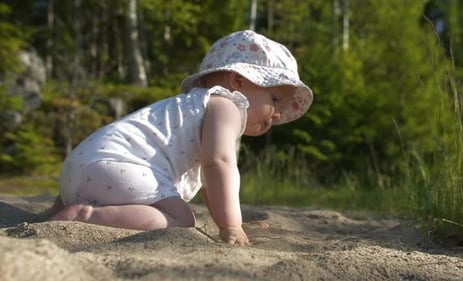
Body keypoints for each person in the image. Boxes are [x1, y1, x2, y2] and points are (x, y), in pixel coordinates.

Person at [47, 30, 313, 246]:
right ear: (239, 81)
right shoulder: (226, 104)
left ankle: (64, 208)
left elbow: (212, 183)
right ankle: (86, 215)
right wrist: (230, 225)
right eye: (275, 99)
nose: (277, 114)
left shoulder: (191, 107)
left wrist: (230, 222)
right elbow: (219, 164)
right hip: (115, 168)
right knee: (181, 218)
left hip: (81, 168)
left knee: (178, 210)